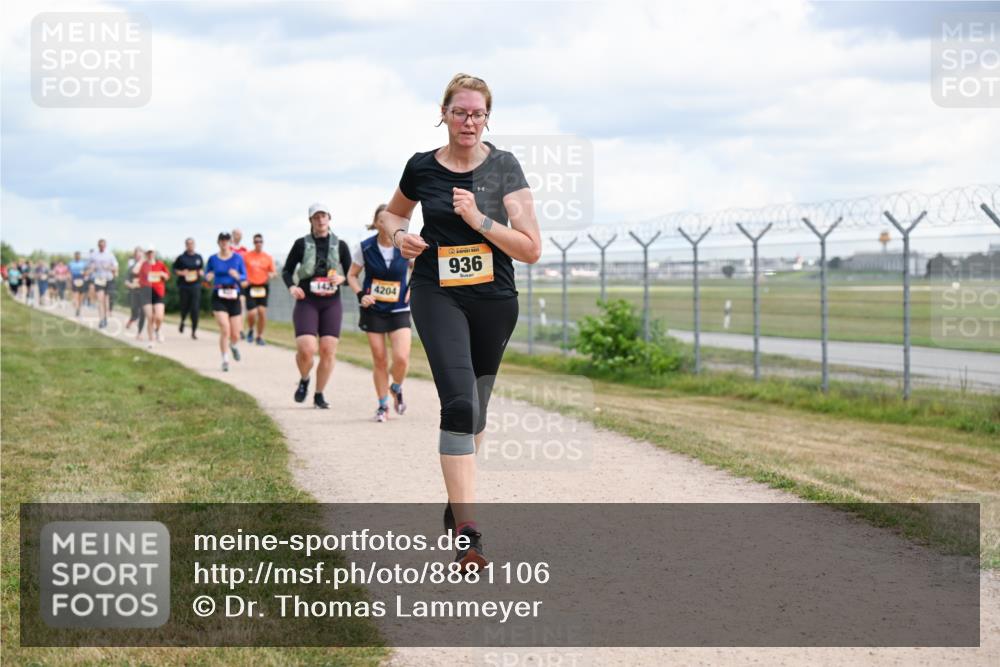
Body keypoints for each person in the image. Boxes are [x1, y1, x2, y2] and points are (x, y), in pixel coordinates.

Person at [381, 74, 541, 570]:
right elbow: (388, 217)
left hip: (494, 299)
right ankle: (469, 533)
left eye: (478, 113)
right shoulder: (422, 167)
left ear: (487, 117)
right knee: (456, 401)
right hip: (436, 291)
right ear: (444, 114)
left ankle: (458, 495)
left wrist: (480, 222)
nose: (469, 121)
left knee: (476, 411)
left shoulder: (504, 168)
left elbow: (531, 248)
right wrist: (400, 233)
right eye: (460, 112)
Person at [347, 204, 414, 422]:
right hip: (373, 309)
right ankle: (383, 405)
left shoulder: (405, 244)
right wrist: (360, 296)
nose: (386, 223)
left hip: (399, 309)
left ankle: (396, 387)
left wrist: (413, 287)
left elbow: (419, 267)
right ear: (376, 223)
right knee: (379, 359)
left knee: (402, 358)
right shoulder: (364, 247)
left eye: (390, 219)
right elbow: (351, 276)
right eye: (382, 219)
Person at [281, 203, 352, 409]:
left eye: (324, 216)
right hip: (307, 300)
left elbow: (351, 276)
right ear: (310, 221)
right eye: (316, 217)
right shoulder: (301, 244)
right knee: (306, 349)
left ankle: (319, 394)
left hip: (331, 302)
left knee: (328, 349)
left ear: (329, 219)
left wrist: (342, 279)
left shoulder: (341, 245)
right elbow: (286, 271)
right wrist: (292, 287)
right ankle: (304, 379)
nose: (321, 220)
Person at [205, 232, 247, 372]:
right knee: (225, 328)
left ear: (230, 242)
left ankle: (233, 346)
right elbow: (206, 275)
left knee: (235, 334)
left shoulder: (237, 258)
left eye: (226, 240)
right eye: (222, 240)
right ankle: (225, 360)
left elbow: (244, 277)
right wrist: (208, 277)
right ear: (218, 242)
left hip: (234, 295)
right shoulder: (212, 259)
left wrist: (238, 276)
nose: (224, 242)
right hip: (219, 295)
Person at [243, 233, 277, 345]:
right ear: (253, 243)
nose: (258, 243)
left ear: (263, 243)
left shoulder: (267, 257)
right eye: (256, 241)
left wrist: (272, 275)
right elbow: (242, 270)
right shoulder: (247, 256)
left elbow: (273, 271)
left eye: (260, 241)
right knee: (252, 313)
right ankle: (251, 329)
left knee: (262, 312)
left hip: (263, 286)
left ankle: (260, 336)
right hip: (251, 286)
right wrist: (244, 279)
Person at [172, 238, 204, 339]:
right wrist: (181, 273)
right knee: (184, 307)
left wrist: (201, 273)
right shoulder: (181, 258)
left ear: (194, 245)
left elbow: (201, 269)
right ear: (186, 245)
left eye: (192, 244)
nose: (190, 246)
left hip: (195, 286)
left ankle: (194, 331)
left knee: (195, 309)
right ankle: (182, 320)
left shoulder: (198, 257)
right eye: (188, 244)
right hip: (184, 286)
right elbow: (174, 269)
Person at [137, 247, 169, 347]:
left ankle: (158, 330)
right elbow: (137, 274)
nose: (150, 254)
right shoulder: (143, 265)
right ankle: (151, 340)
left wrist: (162, 274)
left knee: (159, 317)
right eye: (148, 253)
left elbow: (167, 276)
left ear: (154, 253)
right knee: (150, 317)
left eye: (152, 252)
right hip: (146, 292)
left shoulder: (160, 264)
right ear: (146, 254)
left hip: (158, 292)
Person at [89, 239, 118, 328]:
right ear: (98, 246)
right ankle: (101, 319)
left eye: (103, 245)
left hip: (108, 279)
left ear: (105, 246)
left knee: (106, 300)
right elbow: (90, 266)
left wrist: (109, 267)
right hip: (99, 279)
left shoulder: (110, 254)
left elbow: (115, 267)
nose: (101, 247)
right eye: (100, 245)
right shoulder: (94, 255)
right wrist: (92, 268)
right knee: (100, 299)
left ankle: (105, 317)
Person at [231, 228, 250, 340]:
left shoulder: (244, 250)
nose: (238, 236)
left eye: (240, 234)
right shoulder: (228, 249)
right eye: (237, 234)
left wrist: (246, 279)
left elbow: (246, 267)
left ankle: (241, 329)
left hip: (241, 281)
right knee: (232, 307)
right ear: (233, 235)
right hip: (229, 282)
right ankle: (232, 328)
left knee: (242, 304)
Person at [125, 247, 146, 333]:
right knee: (135, 312)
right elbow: (126, 281)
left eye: (140, 255)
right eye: (136, 255)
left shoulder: (147, 266)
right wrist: (131, 285)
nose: (138, 257)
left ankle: (139, 332)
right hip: (134, 292)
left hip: (144, 292)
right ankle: (132, 319)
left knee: (143, 313)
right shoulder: (131, 267)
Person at [68, 251, 88, 316]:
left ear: (80, 256)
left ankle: (79, 308)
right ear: (74, 256)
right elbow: (69, 272)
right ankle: (77, 309)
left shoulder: (84, 263)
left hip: (82, 279)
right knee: (76, 295)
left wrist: (84, 273)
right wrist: (70, 279)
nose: (77, 257)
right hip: (74, 279)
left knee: (81, 296)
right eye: (76, 256)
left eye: (78, 256)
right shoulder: (71, 263)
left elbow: (86, 272)